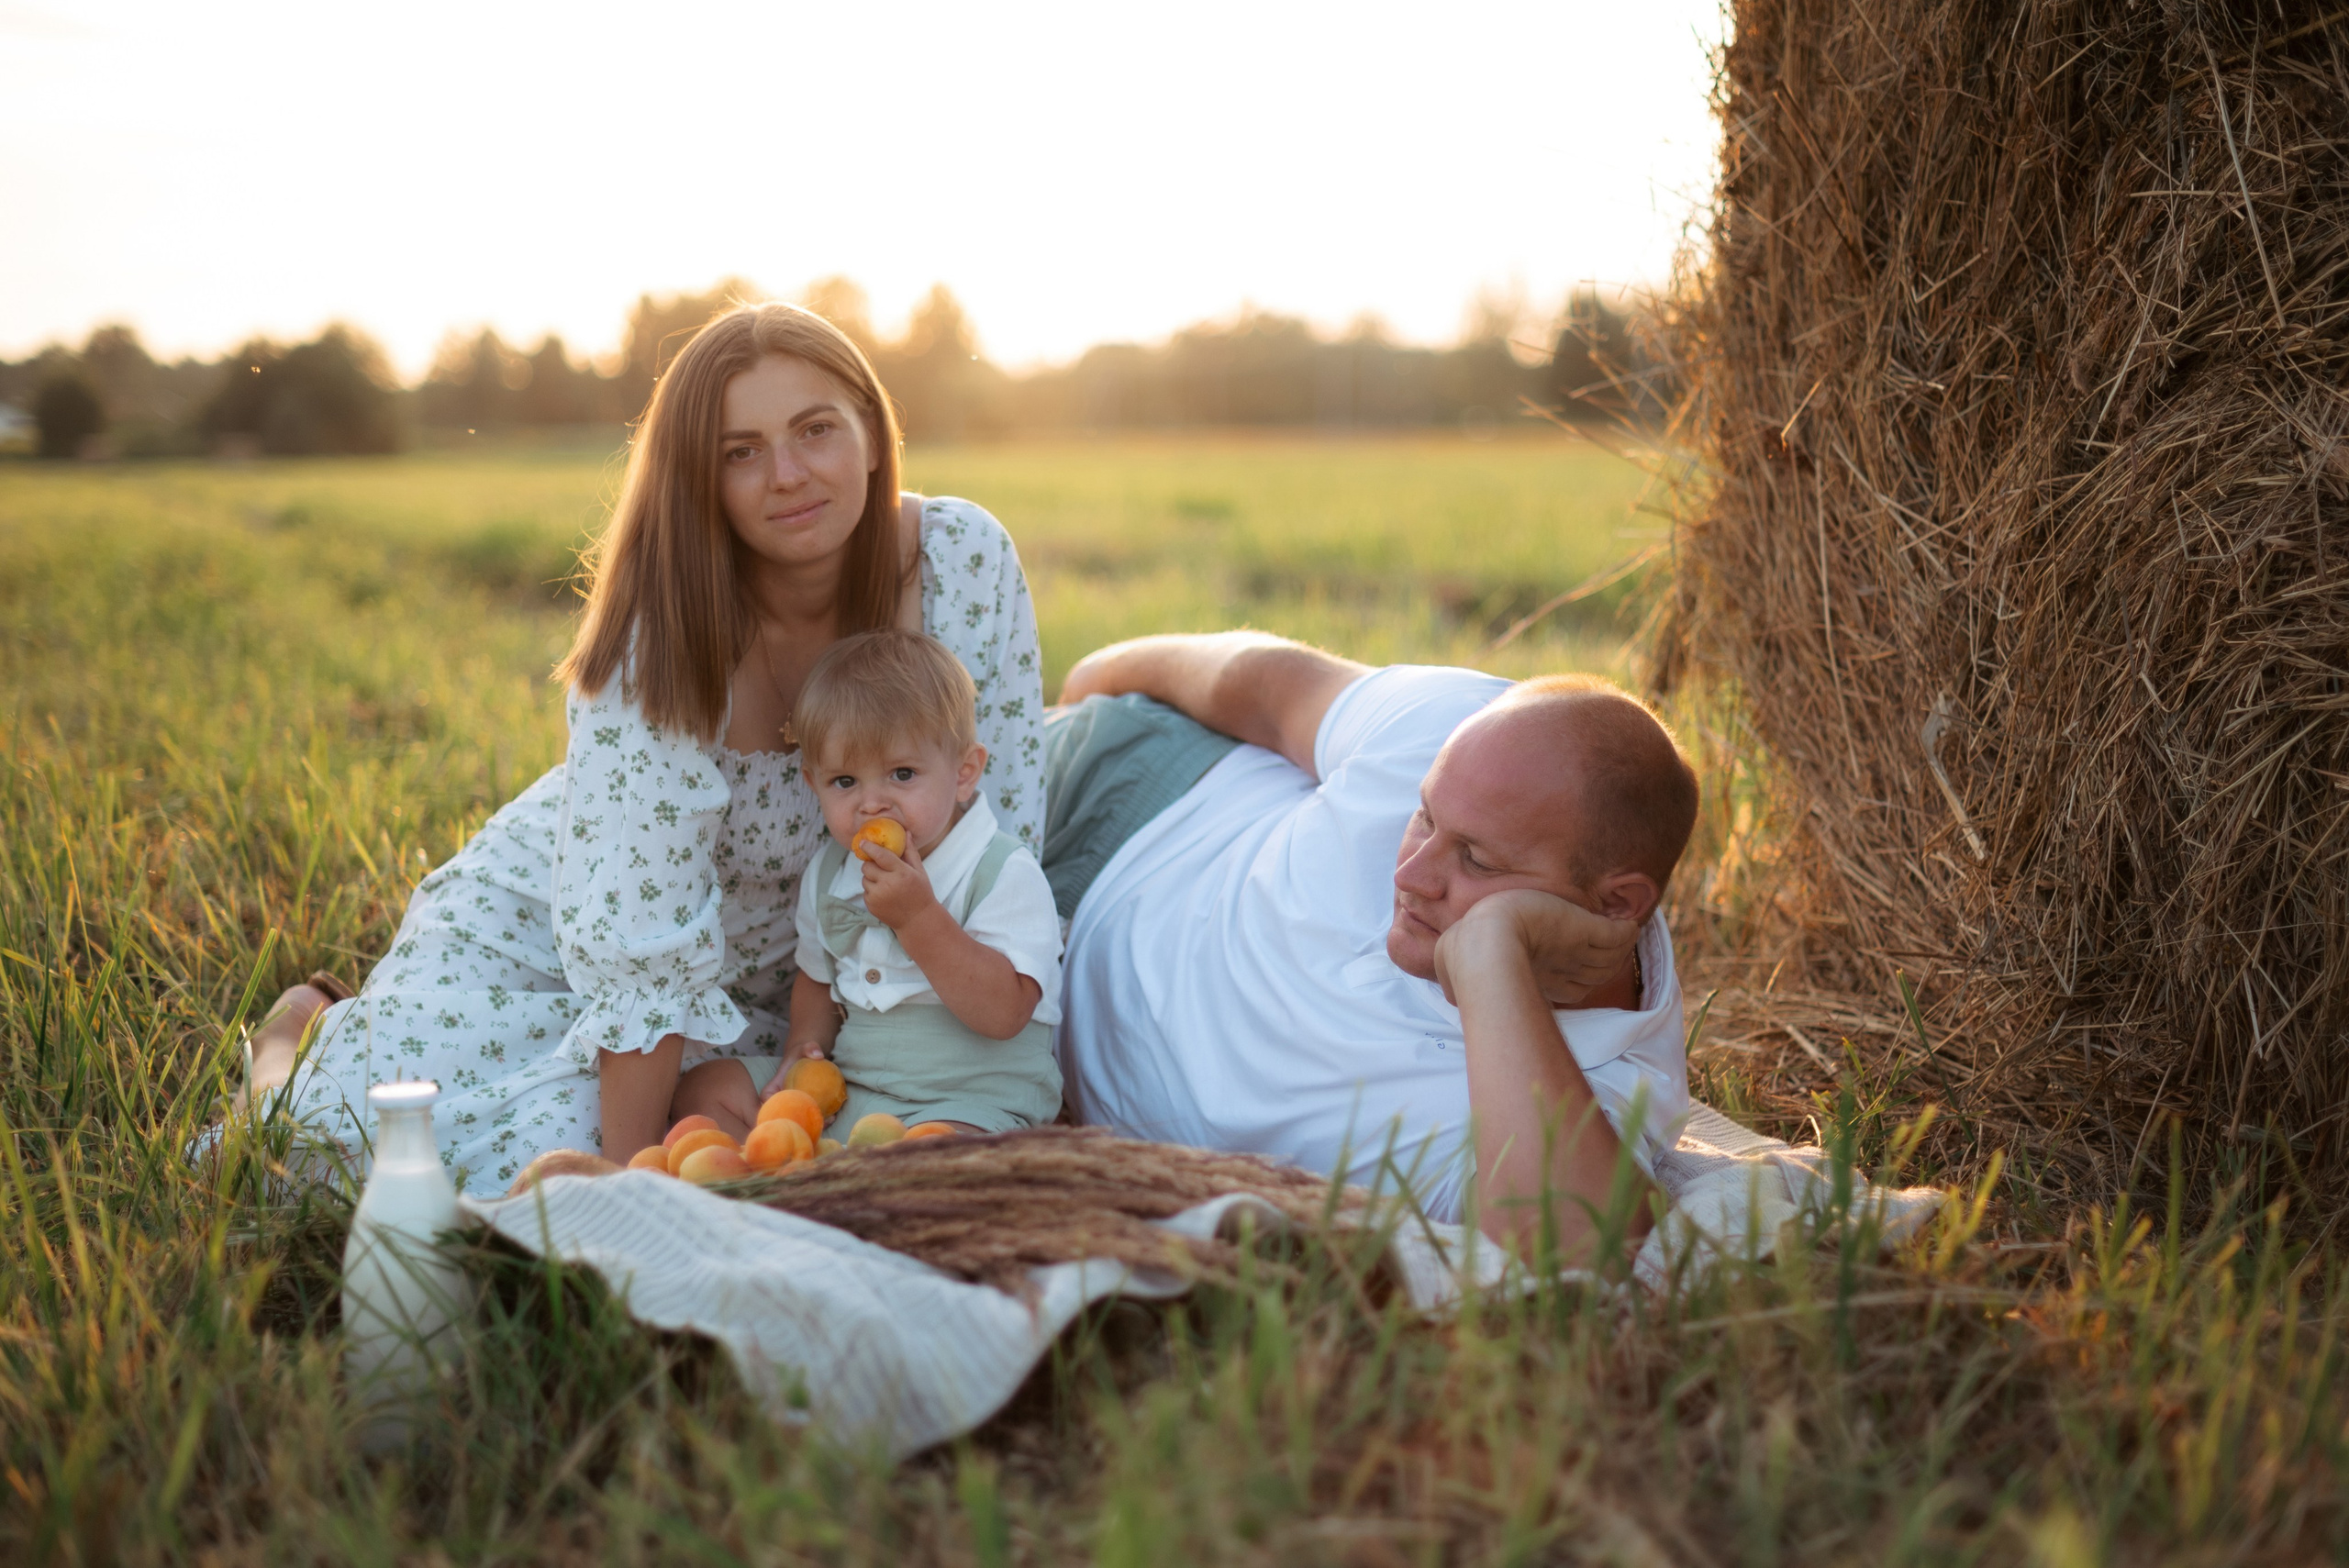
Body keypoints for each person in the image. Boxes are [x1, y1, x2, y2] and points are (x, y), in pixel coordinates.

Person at [230, 305, 1047, 1190]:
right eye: (741, 451)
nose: (788, 474)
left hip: (829, 973)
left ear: (874, 434)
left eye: (817, 430)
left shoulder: (961, 560)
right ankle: (286, 1039)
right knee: (397, 1153)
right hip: (599, 939)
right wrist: (633, 1176)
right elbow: (638, 937)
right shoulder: (654, 635)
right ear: (700, 480)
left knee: (801, 1163)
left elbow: (1001, 837)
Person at [1046, 631, 1699, 1262]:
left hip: (1040, 981)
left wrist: (1492, 962)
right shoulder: (1477, 729)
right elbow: (1261, 683)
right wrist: (1096, 674)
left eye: (1476, 859)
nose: (1410, 875)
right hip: (1134, 785)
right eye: (1425, 816)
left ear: (1616, 903)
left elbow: (1570, 1253)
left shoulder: (1604, 1088)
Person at [667, 628, 1063, 1140]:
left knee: (940, 1155)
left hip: (970, 1101)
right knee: (705, 1088)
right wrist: (804, 1050)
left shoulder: (1000, 871)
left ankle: (849, 1186)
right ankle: (782, 1176)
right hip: (855, 1091)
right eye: (846, 782)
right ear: (814, 785)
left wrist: (919, 918)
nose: (872, 804)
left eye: (902, 774)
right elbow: (815, 977)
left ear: (964, 773)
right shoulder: (831, 872)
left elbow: (1006, 1012)